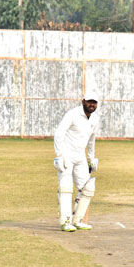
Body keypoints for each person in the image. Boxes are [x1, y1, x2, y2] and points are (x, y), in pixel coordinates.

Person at [53, 91, 100, 232]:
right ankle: (66, 221)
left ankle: (77, 220)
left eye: (94, 102)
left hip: (80, 156)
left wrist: (91, 158)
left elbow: (91, 140)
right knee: (66, 187)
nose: (92, 105)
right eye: (89, 101)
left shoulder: (95, 118)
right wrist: (59, 155)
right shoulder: (72, 114)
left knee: (87, 188)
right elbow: (59, 133)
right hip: (66, 154)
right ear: (83, 101)